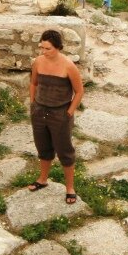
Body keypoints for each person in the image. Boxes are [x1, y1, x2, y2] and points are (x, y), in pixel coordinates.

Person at [28, 30, 85, 204]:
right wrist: (32, 104)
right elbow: (33, 83)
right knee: (43, 147)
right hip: (39, 111)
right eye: (42, 48)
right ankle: (43, 179)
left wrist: (69, 112)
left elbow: (79, 91)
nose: (44, 52)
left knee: (65, 151)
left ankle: (70, 188)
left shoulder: (68, 66)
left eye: (48, 48)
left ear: (58, 47)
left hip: (60, 114)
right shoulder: (38, 62)